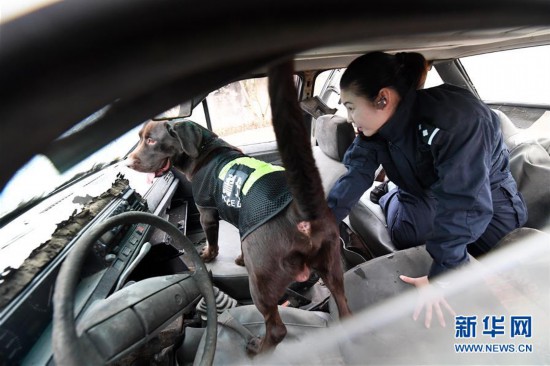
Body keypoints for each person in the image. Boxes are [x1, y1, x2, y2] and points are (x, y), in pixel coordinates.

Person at [327, 51, 528, 325]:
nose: (349, 117)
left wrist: (442, 276)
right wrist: (321, 225)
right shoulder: (373, 131)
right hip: (421, 193)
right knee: (408, 233)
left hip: (485, 193)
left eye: (350, 107)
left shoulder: (455, 119)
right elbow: (355, 176)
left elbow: (465, 202)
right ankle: (389, 194)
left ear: (382, 99)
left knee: (508, 253)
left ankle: (390, 192)